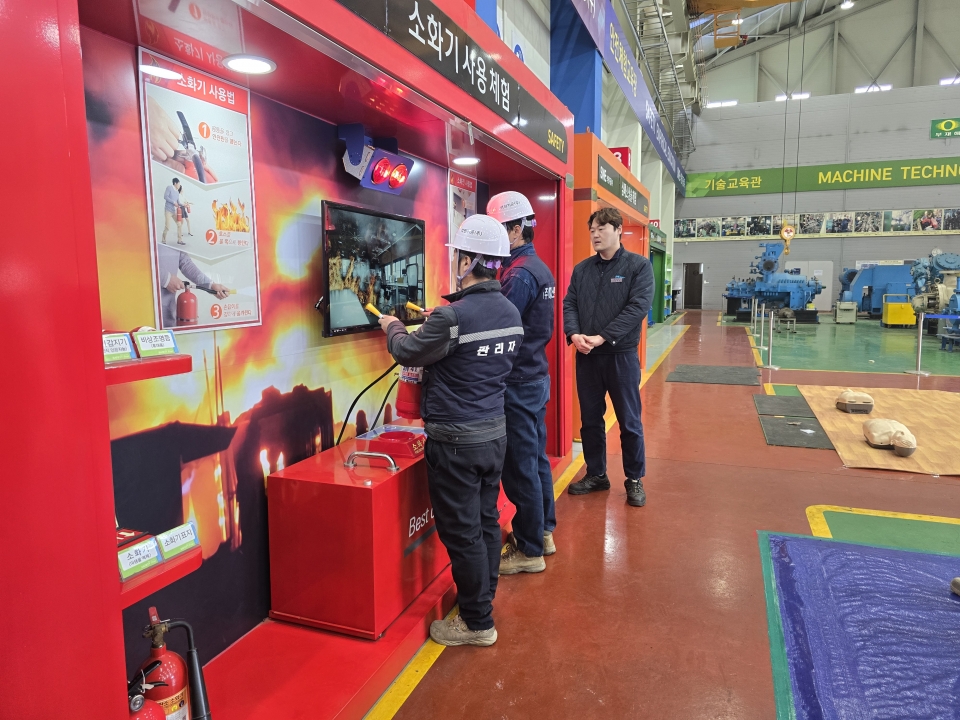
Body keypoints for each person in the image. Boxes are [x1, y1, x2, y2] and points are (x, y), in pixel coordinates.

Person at [377, 215, 523, 647]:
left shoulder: (452, 318)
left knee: (462, 533)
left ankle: (477, 623)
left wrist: (391, 325)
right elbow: (473, 346)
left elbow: (407, 350)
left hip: (456, 443)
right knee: (486, 521)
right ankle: (483, 599)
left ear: (468, 261)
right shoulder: (510, 312)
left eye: (458, 255)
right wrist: (437, 323)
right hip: (493, 435)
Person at [563, 207, 654, 507]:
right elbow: (570, 304)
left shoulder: (638, 267)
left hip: (621, 356)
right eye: (592, 230)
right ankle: (596, 474)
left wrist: (603, 336)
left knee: (629, 421)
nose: (595, 234)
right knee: (590, 420)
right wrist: (574, 334)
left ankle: (634, 478)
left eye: (602, 228)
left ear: (618, 230)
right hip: (587, 356)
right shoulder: (582, 270)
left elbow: (637, 308)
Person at [486, 191, 557, 574]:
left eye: (499, 230)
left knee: (519, 466)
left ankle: (529, 551)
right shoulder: (537, 267)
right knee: (536, 459)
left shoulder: (517, 275)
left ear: (515, 229)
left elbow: (500, 327)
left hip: (517, 382)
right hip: (535, 375)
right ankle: (543, 532)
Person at [157, 243, 230, 327]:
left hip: (167, 316)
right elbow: (143, 262)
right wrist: (166, 278)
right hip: (147, 313)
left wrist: (210, 285)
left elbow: (186, 264)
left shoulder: (173, 238)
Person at [162, 178, 185, 245]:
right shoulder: (169, 188)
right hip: (168, 211)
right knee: (167, 226)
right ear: (175, 183)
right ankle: (163, 240)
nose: (179, 185)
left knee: (179, 224)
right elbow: (165, 197)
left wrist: (183, 205)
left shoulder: (177, 192)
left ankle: (179, 240)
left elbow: (178, 202)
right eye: (179, 184)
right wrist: (173, 202)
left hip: (173, 211)